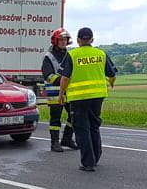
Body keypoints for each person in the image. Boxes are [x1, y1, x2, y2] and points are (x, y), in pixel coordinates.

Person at [58, 27, 117, 172]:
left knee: (82, 130)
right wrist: (111, 84)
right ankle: (96, 158)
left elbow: (65, 78)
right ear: (92, 39)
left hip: (78, 98)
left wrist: (61, 94)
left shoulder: (73, 55)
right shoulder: (101, 54)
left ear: (78, 40)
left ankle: (87, 163)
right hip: (97, 97)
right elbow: (112, 75)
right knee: (94, 127)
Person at [42, 28, 77, 152]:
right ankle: (54, 143)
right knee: (55, 118)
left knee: (74, 115)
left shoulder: (69, 54)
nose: (63, 42)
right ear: (55, 41)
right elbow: (48, 75)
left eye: (65, 40)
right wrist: (62, 80)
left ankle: (67, 138)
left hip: (69, 91)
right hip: (55, 92)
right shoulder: (49, 57)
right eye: (61, 40)